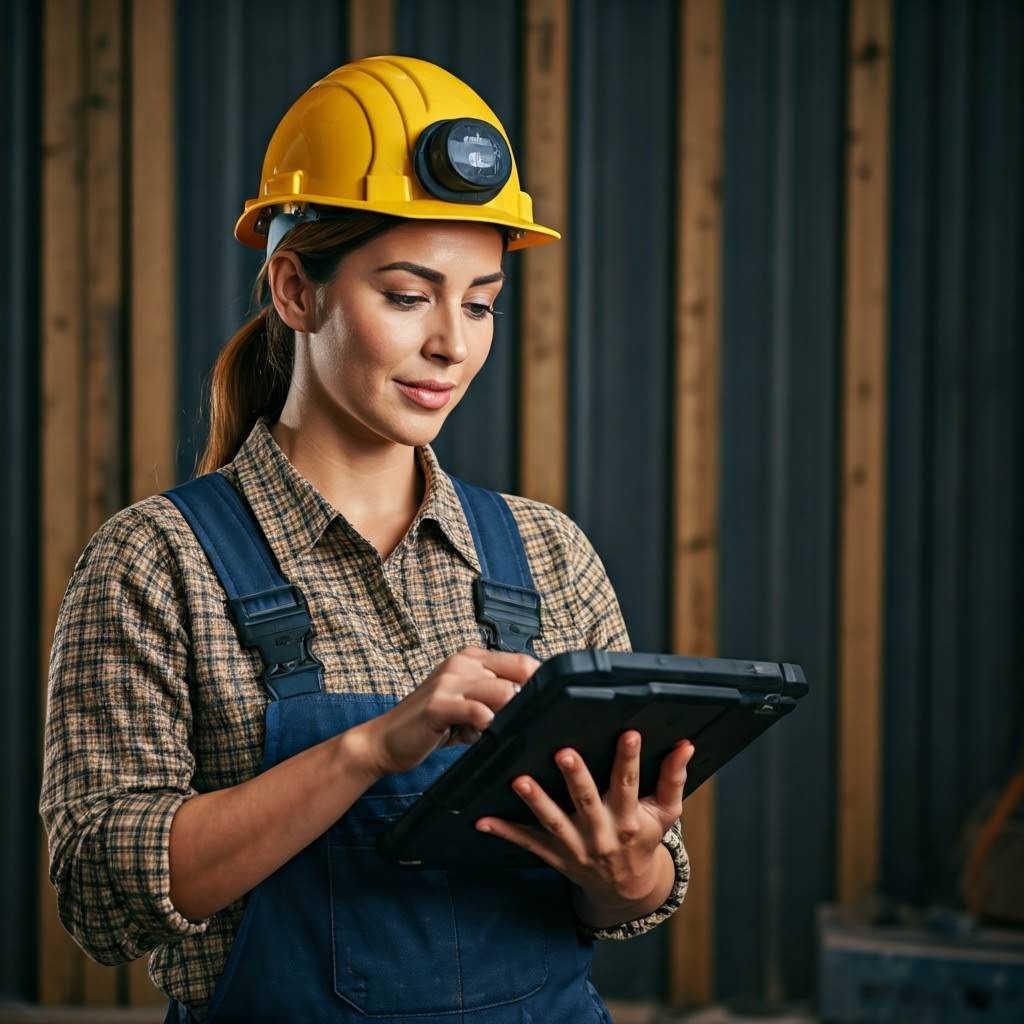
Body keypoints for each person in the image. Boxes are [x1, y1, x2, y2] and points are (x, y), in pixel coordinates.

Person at [40, 55, 693, 1023]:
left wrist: (627, 862)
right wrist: (369, 748)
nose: (452, 344)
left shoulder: (548, 553)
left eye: (479, 303)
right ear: (296, 291)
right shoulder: (155, 562)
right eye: (406, 294)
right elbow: (102, 896)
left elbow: (632, 900)